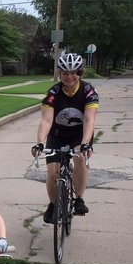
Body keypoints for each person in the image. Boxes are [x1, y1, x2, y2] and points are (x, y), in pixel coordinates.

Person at [31, 52, 99, 223]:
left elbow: (89, 119)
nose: (70, 77)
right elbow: (46, 120)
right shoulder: (53, 93)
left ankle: (79, 199)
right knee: (52, 171)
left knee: (80, 159)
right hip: (57, 134)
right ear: (60, 74)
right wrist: (39, 142)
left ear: (80, 72)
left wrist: (84, 144)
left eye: (74, 72)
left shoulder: (88, 91)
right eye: (65, 73)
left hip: (79, 135)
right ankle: (53, 204)